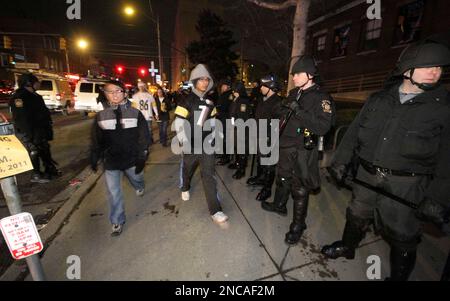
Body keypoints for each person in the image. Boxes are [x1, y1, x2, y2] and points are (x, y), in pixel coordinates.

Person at [321, 41, 450, 281]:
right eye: (428, 66)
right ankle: (347, 246)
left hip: (406, 186)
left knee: (403, 235)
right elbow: (353, 133)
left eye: (439, 67)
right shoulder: (379, 99)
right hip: (367, 176)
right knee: (356, 213)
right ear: (407, 69)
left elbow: (447, 159)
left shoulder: (442, 108)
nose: (436, 72)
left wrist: (437, 197)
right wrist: (340, 161)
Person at [261, 56, 336, 245]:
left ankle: (298, 225)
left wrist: (299, 111)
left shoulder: (322, 98)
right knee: (283, 178)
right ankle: (279, 205)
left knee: (300, 189)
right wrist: (281, 108)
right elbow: (279, 111)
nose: (293, 77)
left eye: (297, 74)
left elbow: (323, 127)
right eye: (293, 74)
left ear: (310, 75)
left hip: (302, 150)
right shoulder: (294, 92)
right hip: (285, 146)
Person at [91, 80, 151, 236]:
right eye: (110, 92)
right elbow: (96, 139)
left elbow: (144, 135)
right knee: (113, 192)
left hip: (131, 158)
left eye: (117, 91)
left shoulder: (135, 113)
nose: (114, 94)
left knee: (137, 178)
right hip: (111, 161)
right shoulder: (101, 116)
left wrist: (143, 153)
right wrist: (94, 156)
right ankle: (117, 220)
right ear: (105, 94)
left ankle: (139, 186)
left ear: (124, 93)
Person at [174, 64, 228, 224]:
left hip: (207, 144)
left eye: (207, 79)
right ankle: (185, 187)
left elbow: (213, 122)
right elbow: (178, 122)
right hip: (190, 144)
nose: (204, 82)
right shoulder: (186, 100)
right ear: (195, 81)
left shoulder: (210, 102)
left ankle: (215, 210)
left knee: (208, 175)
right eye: (201, 79)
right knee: (188, 169)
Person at [9, 73, 61, 183]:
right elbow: (20, 118)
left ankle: (49, 169)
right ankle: (36, 174)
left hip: (40, 129)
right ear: (29, 83)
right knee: (34, 151)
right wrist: (27, 136)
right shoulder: (19, 97)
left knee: (45, 149)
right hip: (29, 131)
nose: (39, 84)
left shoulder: (36, 96)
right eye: (36, 82)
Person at [246, 75, 282, 202]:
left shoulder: (278, 102)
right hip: (259, 135)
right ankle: (260, 178)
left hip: (269, 138)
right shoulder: (263, 99)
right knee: (260, 161)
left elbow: (278, 123)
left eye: (263, 86)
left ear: (271, 87)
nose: (260, 88)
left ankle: (267, 189)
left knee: (269, 165)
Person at [228, 81, 252, 180]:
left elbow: (243, 116)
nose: (233, 92)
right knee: (237, 147)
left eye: (235, 90)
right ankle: (237, 163)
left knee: (242, 149)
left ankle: (241, 170)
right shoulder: (237, 99)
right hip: (235, 127)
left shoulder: (243, 100)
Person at [216, 79, 233, 166]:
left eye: (223, 86)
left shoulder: (229, 95)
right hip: (221, 119)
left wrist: (219, 109)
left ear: (227, 86)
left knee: (226, 139)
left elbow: (227, 107)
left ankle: (226, 157)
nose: (221, 87)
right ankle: (223, 154)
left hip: (226, 120)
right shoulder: (224, 94)